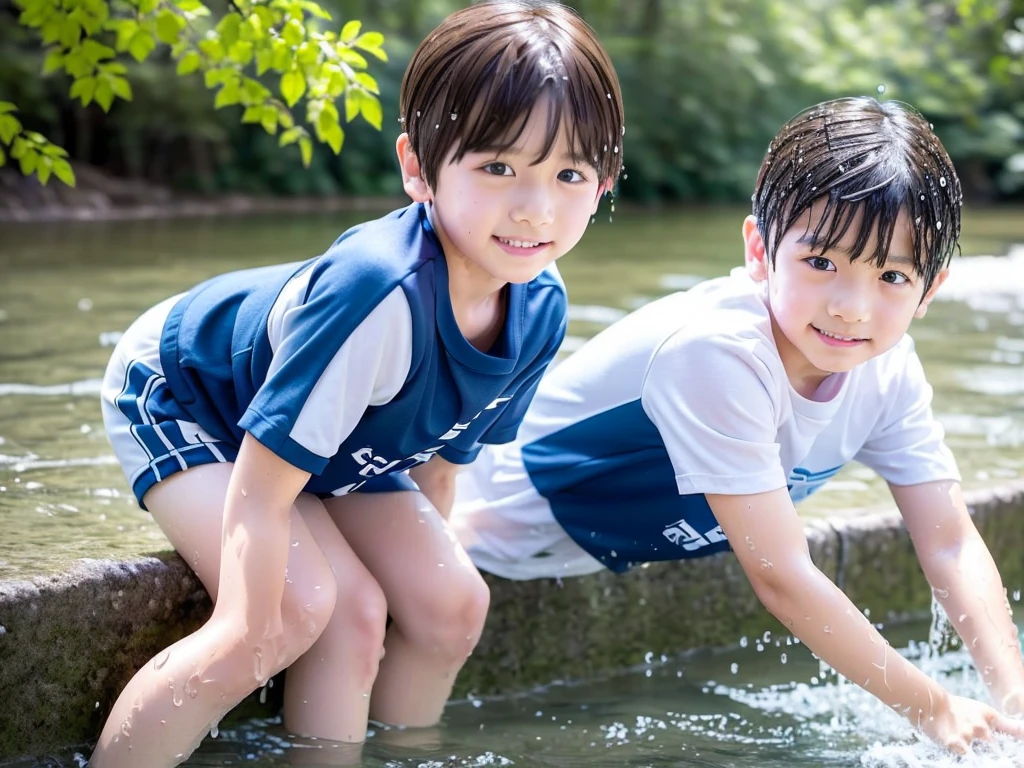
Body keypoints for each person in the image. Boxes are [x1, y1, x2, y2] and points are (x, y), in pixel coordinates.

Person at [91, 2, 624, 765]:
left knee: (451, 602)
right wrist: (244, 626)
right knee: (302, 609)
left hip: (333, 432)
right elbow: (264, 491)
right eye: (498, 167)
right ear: (418, 168)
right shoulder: (378, 297)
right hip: (192, 393)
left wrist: (421, 558)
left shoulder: (537, 303)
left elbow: (441, 462)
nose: (534, 209)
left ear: (603, 183)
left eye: (568, 173)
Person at [450, 96, 1024, 754]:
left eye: (892, 275)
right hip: (479, 540)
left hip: (594, 554)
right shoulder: (718, 354)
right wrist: (935, 707)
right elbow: (782, 575)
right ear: (759, 248)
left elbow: (950, 541)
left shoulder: (888, 372)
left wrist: (1013, 701)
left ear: (931, 289)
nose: (851, 308)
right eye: (821, 263)